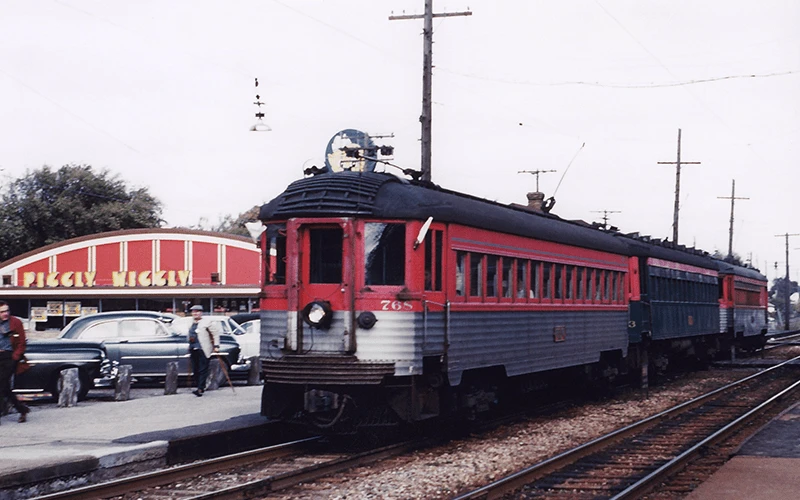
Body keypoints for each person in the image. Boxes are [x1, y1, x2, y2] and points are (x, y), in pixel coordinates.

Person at [0, 301, 30, 423]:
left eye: (7, 311)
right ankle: (22, 409)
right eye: (2, 312)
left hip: (9, 357)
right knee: (5, 387)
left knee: (1, 385)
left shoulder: (15, 322)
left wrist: (15, 356)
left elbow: (22, 342)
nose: (5, 314)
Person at [187, 305, 221, 397]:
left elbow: (215, 333)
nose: (195, 313)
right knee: (195, 369)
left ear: (201, 313)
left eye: (197, 312)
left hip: (203, 348)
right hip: (193, 348)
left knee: (203, 369)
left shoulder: (207, 322)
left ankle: (200, 388)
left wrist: (216, 345)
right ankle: (199, 386)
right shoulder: (190, 322)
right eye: (194, 312)